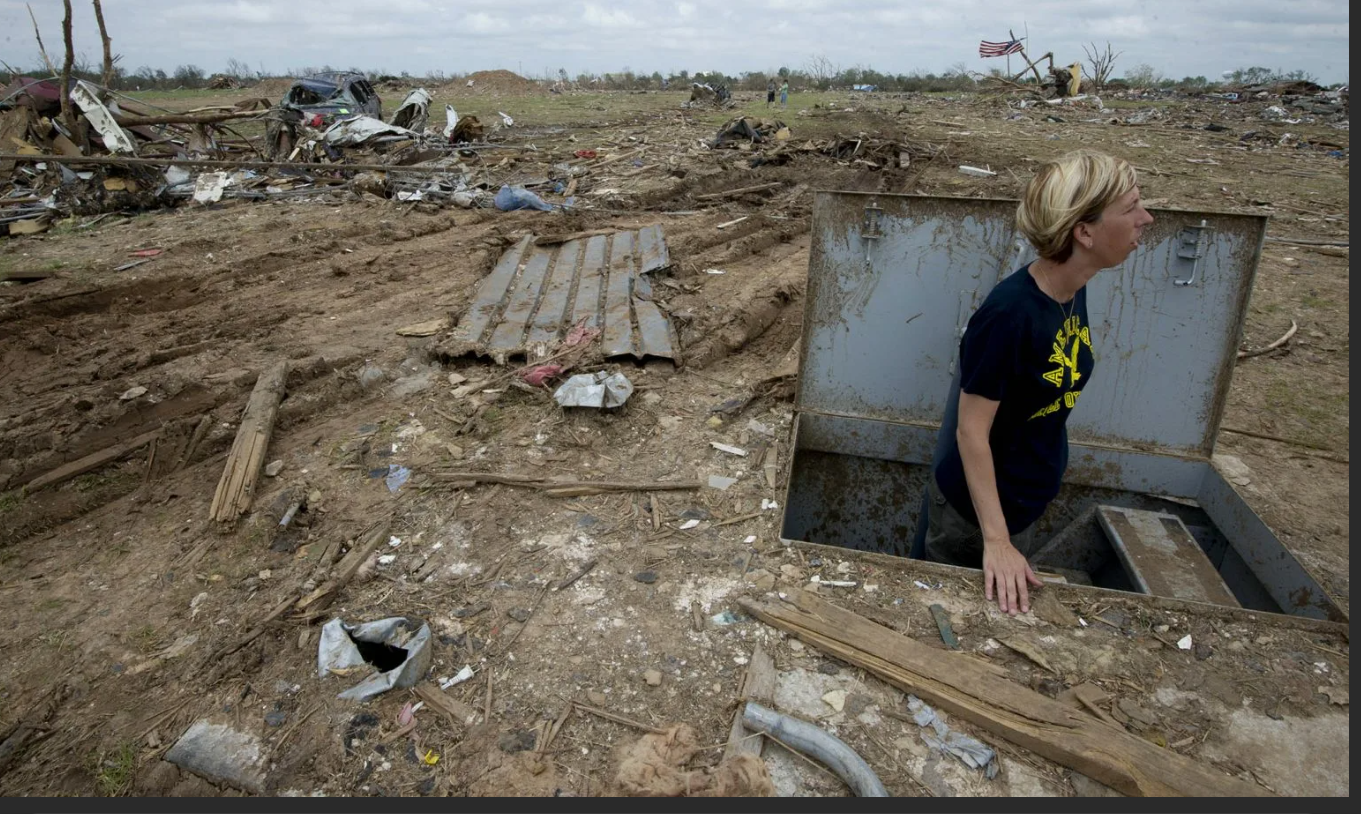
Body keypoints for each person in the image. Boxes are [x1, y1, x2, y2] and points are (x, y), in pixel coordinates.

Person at [921, 150, 1154, 615]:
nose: (1145, 219)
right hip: (975, 524)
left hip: (1021, 507)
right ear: (1083, 232)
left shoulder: (1072, 287)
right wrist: (997, 541)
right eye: (1130, 209)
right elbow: (971, 431)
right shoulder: (1009, 315)